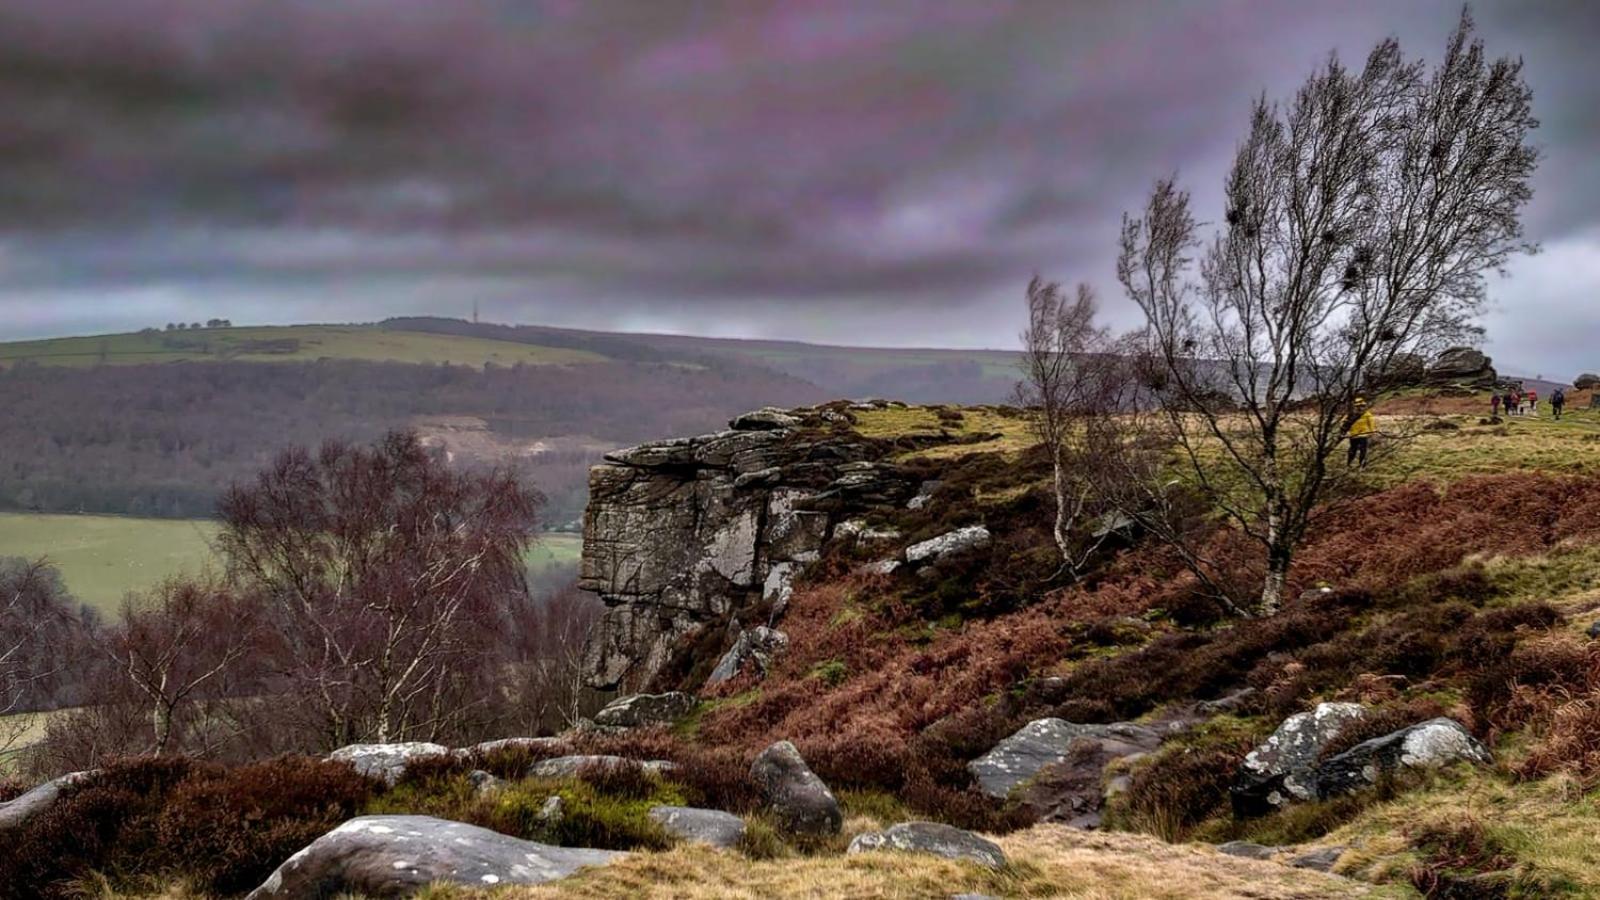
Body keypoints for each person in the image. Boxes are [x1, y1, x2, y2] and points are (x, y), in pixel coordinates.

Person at [1346, 397, 1377, 468]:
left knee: (1363, 451)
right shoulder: (1351, 415)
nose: (1360, 408)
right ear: (1355, 406)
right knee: (1352, 450)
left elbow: (1371, 424)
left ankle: (1361, 465)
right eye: (1358, 406)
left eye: (1362, 406)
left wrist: (1372, 433)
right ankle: (1349, 463)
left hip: (1363, 435)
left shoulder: (1368, 415)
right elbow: (1345, 423)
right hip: (1353, 435)